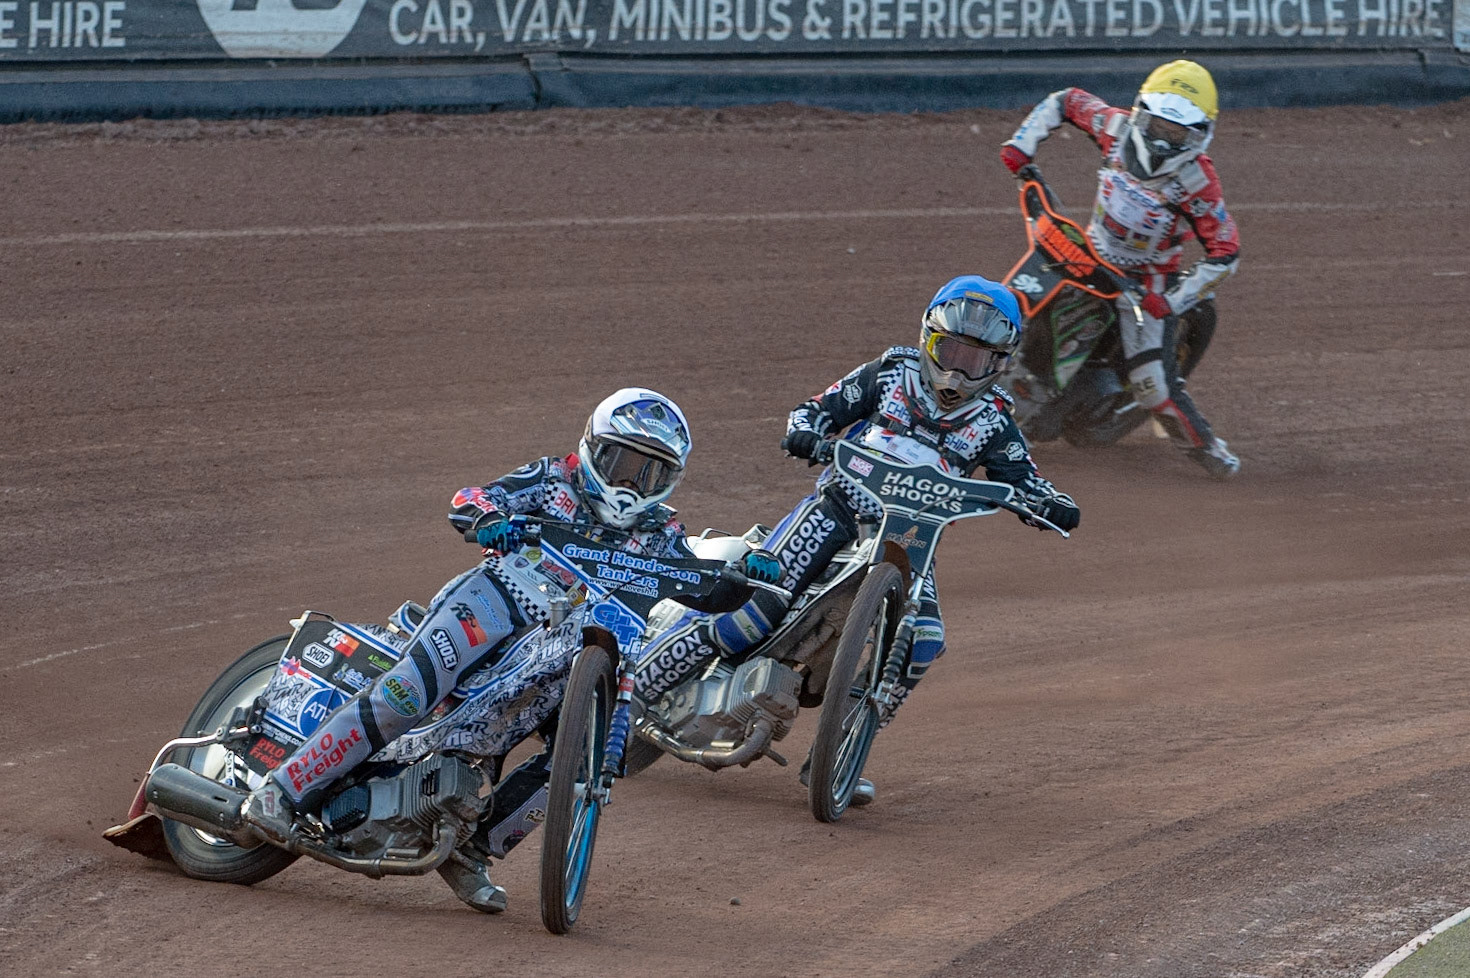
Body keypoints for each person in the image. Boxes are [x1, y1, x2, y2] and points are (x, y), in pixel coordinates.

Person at [239, 388, 779, 913]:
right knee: (409, 692)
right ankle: (282, 793)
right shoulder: (552, 478)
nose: (630, 485)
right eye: (621, 463)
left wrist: (748, 568)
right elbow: (475, 498)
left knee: (581, 757)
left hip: (572, 644)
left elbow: (703, 576)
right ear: (594, 446)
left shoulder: (661, 532)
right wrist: (488, 518)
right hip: (497, 603)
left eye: (651, 473)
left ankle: (471, 851)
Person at [631, 276, 1081, 806]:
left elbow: (1024, 478)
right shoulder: (890, 373)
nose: (959, 368)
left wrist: (1050, 503)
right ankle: (624, 703)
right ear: (927, 339)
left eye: (977, 359)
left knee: (926, 640)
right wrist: (807, 430)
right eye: (950, 349)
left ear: (1000, 364)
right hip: (838, 511)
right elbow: (817, 409)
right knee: (750, 609)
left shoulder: (995, 421)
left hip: (914, 538)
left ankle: (841, 752)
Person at [1000, 59, 1242, 479]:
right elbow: (1066, 100)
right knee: (1004, 311)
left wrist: (1169, 302)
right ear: (1140, 112)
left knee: (1154, 388)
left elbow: (1226, 252)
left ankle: (1211, 451)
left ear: (1201, 133)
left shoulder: (1199, 183)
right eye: (1158, 125)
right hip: (1083, 256)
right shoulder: (1115, 127)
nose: (1164, 140)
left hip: (1144, 284)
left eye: (1177, 132)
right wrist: (1022, 145)